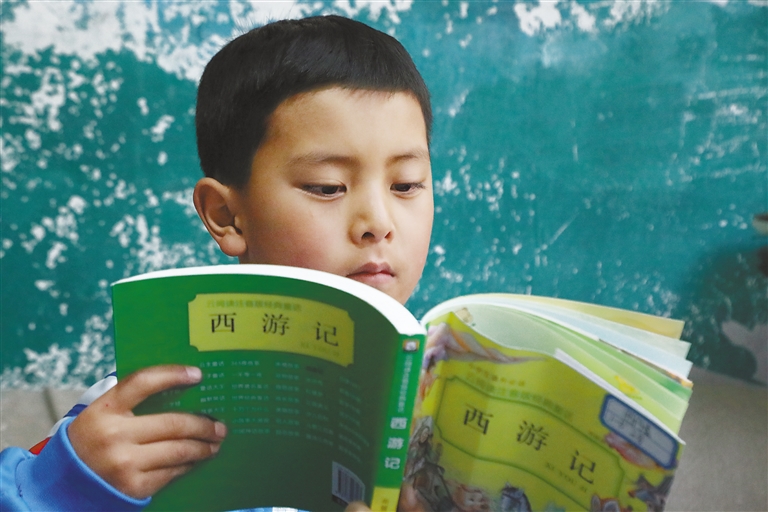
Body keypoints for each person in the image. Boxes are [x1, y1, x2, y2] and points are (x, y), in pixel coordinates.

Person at [0, 14, 433, 511]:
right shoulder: (136, 423)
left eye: (406, 185)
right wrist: (66, 487)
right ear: (226, 216)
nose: (378, 222)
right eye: (327, 187)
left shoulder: (442, 404)